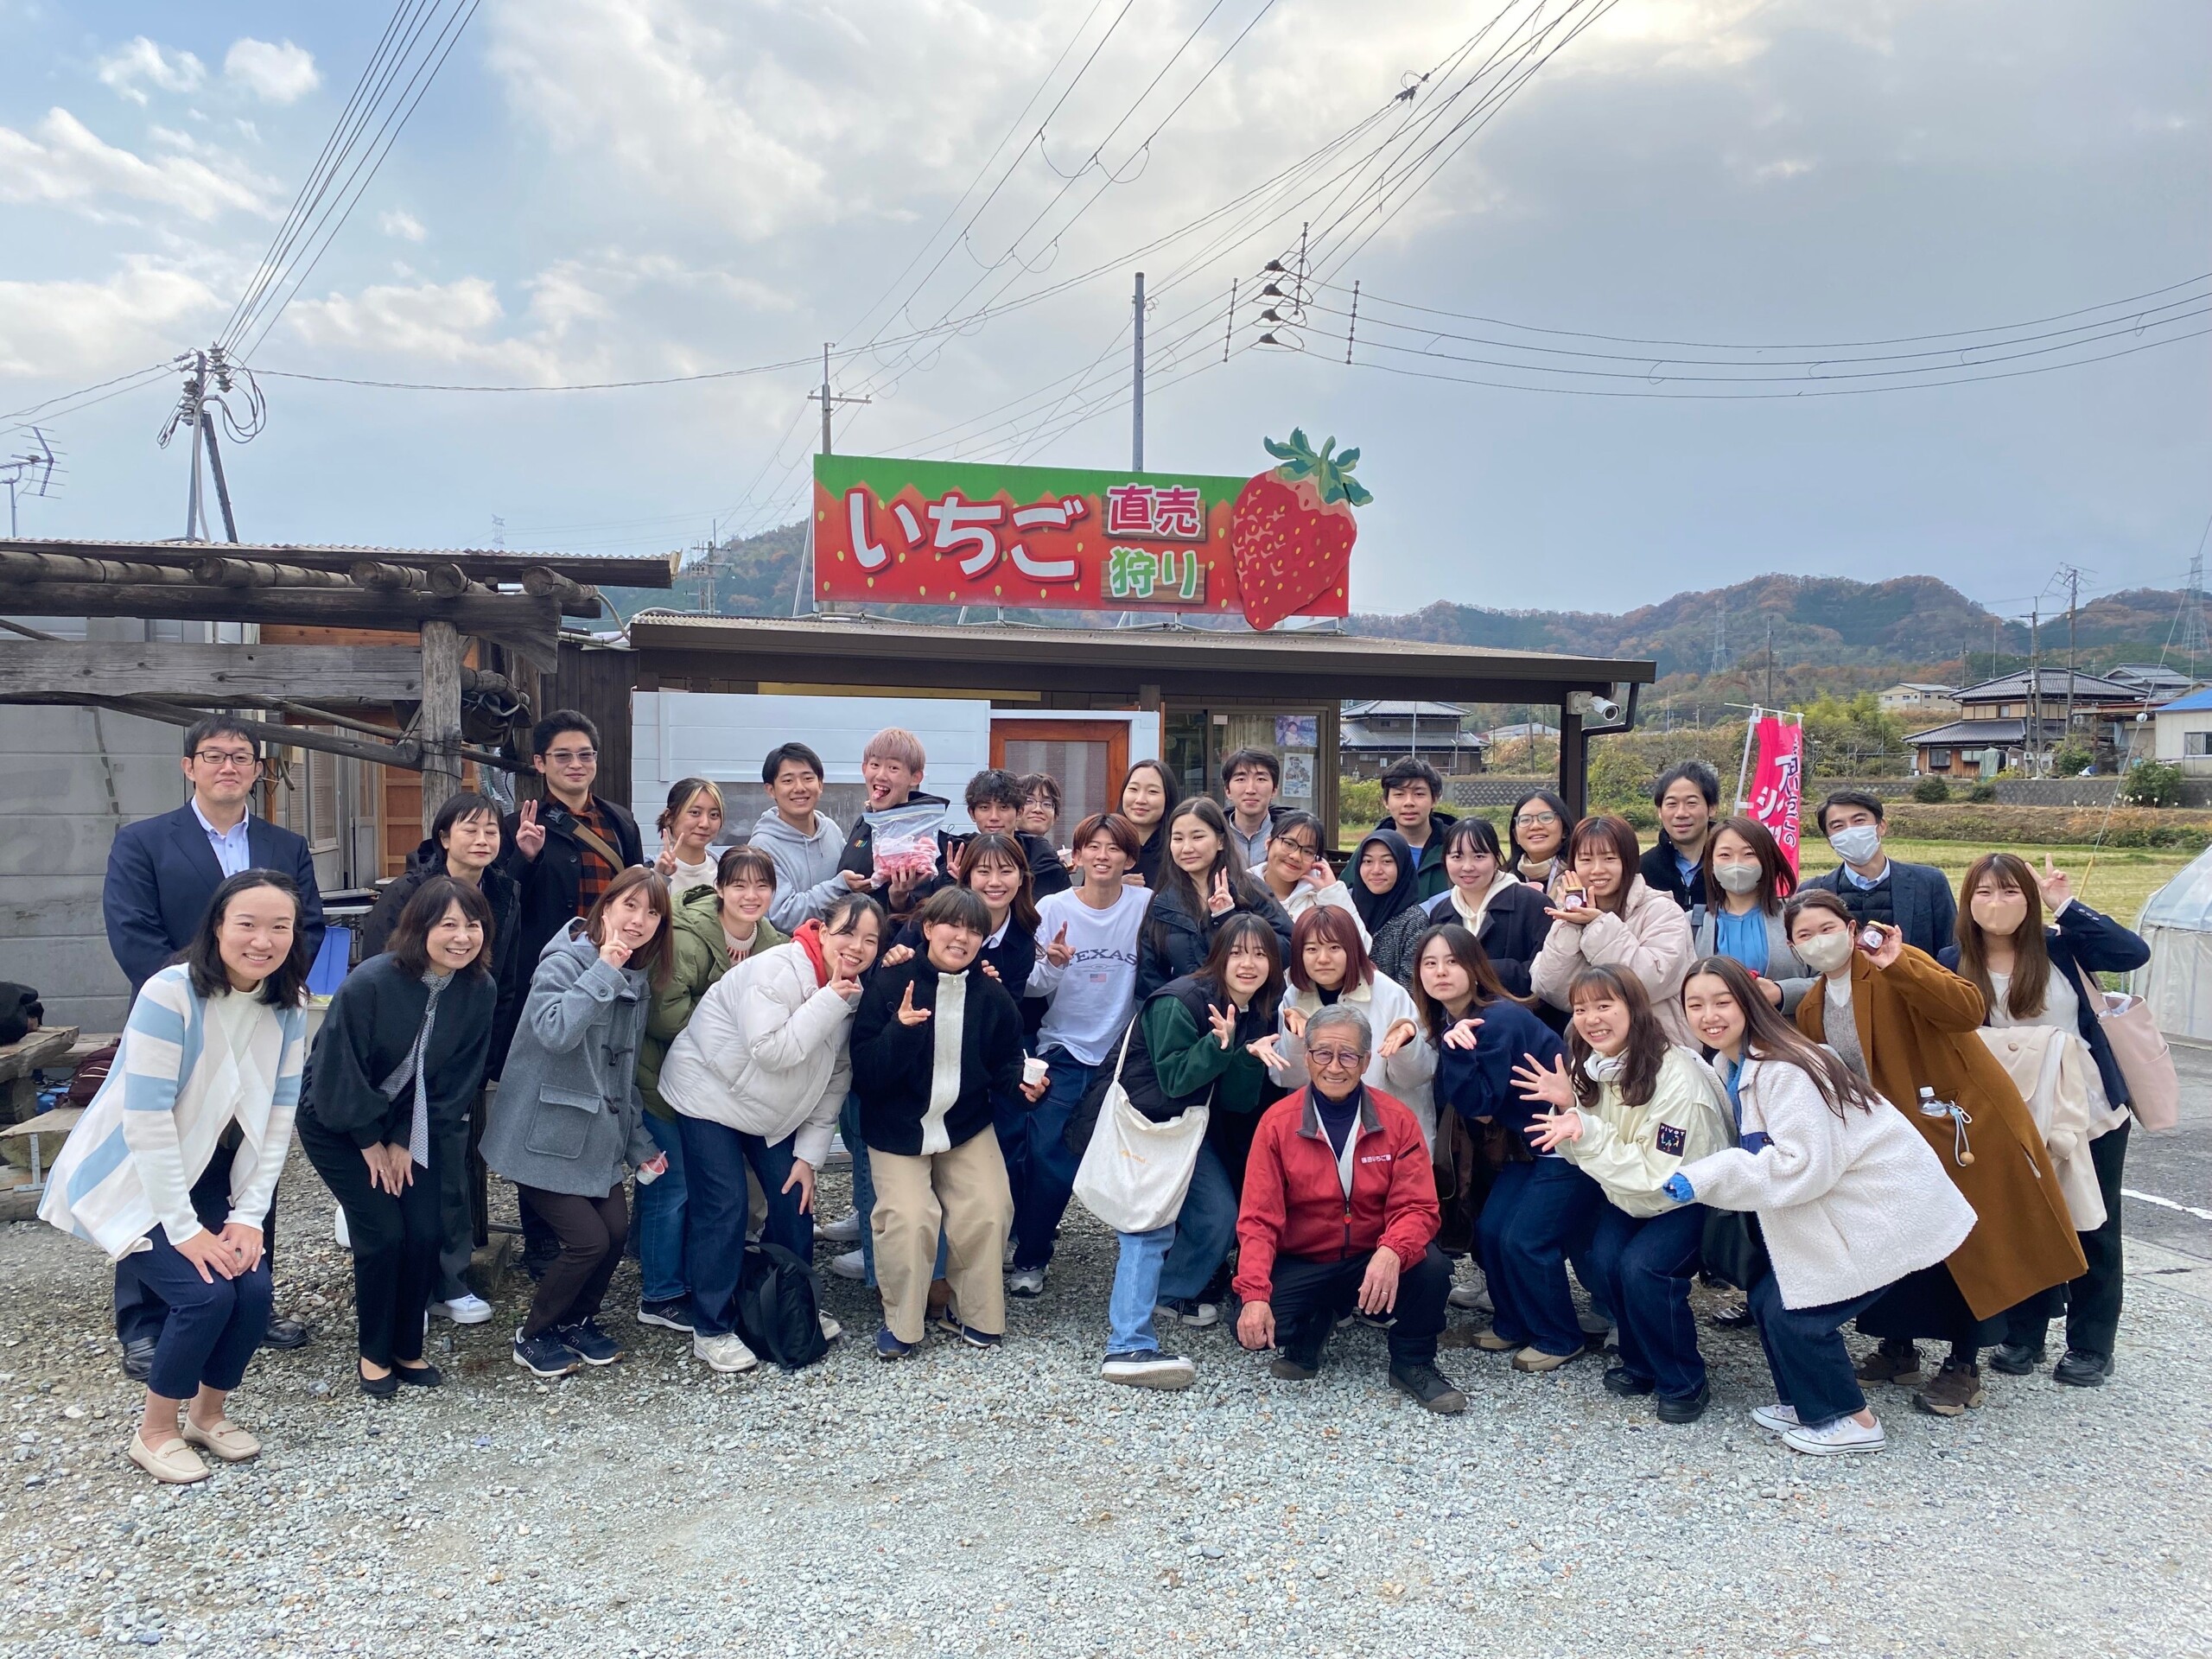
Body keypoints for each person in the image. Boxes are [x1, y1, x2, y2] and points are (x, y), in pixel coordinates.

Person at [42, 871, 311, 1484]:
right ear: (216, 926)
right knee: (203, 1293)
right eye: (246, 924)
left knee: (253, 1289)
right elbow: (147, 1121)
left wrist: (247, 1217)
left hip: (209, 1173)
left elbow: (277, 1117)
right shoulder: (170, 993)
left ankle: (206, 1416)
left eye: (279, 927)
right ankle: (155, 1430)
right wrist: (184, 1229)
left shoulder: (289, 1002)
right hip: (137, 1175)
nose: (262, 940)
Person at [1783, 888, 2086, 1417]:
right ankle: (1898, 1347)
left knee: (1964, 1246)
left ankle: (1964, 1365)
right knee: (1899, 1243)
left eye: (1826, 928)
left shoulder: (1894, 965)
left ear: (1851, 929)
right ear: (1793, 946)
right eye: (1804, 935)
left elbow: (1966, 1009)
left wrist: (1901, 965)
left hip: (1955, 1127)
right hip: (1891, 1144)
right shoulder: (1811, 1006)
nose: (1818, 942)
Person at [1671, 956, 1977, 1456]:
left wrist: (1706, 1178)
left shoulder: (1785, 1067)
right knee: (1771, 1296)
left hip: (1880, 1203)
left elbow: (1803, 1165)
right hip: (1838, 1202)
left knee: (1801, 1314)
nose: (1710, 1015)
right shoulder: (1733, 1061)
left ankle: (1852, 1419)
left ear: (1748, 1002)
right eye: (1696, 1005)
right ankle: (1806, 1402)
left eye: (1722, 1001)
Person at [100, 715, 325, 1369]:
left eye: (242, 757)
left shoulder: (285, 845)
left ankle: (250, 1289)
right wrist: (202, 993)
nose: (229, 766)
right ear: (188, 766)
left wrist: (259, 993)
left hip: (261, 1024)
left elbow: (302, 928)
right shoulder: (143, 841)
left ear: (258, 769)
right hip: (177, 1026)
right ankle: (143, 1316)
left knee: (256, 1148)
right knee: (164, 1155)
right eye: (214, 755)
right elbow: (132, 932)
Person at [1941, 853, 2151, 1387]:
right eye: (1983, 893)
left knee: (2096, 1223)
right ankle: (2024, 1333)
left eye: (2011, 892)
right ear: (1968, 902)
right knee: (2023, 1219)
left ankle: (2091, 1344)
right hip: (2007, 1114)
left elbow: (2132, 953)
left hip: (2089, 1109)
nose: (1997, 904)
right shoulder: (1951, 960)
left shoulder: (2061, 945)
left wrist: (2064, 900)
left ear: (2029, 900)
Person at [660, 893, 886, 1372]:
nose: (857, 947)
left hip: (769, 1110)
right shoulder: (778, 971)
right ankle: (712, 1327)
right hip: (710, 1095)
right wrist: (831, 1000)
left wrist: (809, 1157)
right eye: (847, 933)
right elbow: (771, 1051)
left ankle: (793, 1300)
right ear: (822, 930)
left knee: (793, 1197)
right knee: (725, 1205)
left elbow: (836, 1079)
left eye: (870, 940)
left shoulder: (850, 990)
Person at [298, 878, 497, 1397]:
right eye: (448, 924)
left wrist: (406, 1138)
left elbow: (459, 1080)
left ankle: (409, 1348)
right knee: (383, 1234)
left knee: (425, 1232)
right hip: (337, 1119)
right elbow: (337, 1073)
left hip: (413, 1124)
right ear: (419, 928)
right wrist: (371, 1140)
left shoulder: (479, 989)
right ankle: (374, 1354)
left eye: (472, 924)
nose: (462, 937)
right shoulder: (371, 982)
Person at [1513, 966, 1733, 1422]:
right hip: (1631, 1196)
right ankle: (1641, 1362)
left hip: (1687, 1194)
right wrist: (1569, 1110)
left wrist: (1584, 1127)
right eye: (1581, 1008)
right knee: (1605, 1262)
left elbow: (1658, 1174)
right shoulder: (1593, 1067)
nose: (1591, 1018)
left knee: (1644, 1269)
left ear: (1634, 1008)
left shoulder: (1677, 1079)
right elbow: (1583, 1157)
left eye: (1604, 1005)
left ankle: (1684, 1379)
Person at [482, 867, 672, 1378]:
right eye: (629, 906)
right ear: (605, 907)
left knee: (614, 1231)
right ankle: (535, 1332)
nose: (639, 920)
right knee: (586, 1239)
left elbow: (624, 1069)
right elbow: (556, 1031)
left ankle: (577, 1320)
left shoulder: (634, 975)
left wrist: (640, 1145)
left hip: (598, 1138)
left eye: (652, 912)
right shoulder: (566, 960)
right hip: (541, 1134)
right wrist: (604, 969)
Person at [1233, 1004, 1465, 1414]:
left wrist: (1392, 1250)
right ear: (1307, 1057)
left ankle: (1413, 1361)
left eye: (1348, 1056)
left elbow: (1420, 1207)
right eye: (1322, 1053)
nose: (1335, 1066)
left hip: (1370, 1253)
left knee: (1432, 1268)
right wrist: (1253, 1294)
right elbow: (1258, 1218)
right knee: (1259, 1326)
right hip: (1304, 1257)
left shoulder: (1397, 1119)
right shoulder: (1276, 1123)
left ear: (1366, 1060)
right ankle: (1315, 1320)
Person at [850, 887, 1045, 1359]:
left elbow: (1002, 1066)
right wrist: (901, 1030)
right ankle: (903, 1322)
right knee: (910, 1218)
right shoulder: (892, 979)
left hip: (964, 1124)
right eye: (952, 926)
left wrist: (1028, 1086)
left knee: (990, 1206)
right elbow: (866, 1073)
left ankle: (974, 1313)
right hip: (897, 1129)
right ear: (929, 927)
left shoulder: (992, 994)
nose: (962, 937)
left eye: (975, 930)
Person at [1098, 914, 1284, 1389]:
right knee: (1148, 1225)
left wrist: (1243, 1058)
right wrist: (1219, 1046)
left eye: (1260, 954)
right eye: (1238, 952)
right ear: (1219, 954)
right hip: (1146, 1126)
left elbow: (1238, 1101)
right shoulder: (1181, 999)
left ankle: (1163, 1290)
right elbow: (1175, 1080)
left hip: (1188, 1130)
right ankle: (1128, 1343)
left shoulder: (1254, 1010)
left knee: (1219, 1215)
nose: (1248, 964)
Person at [358, 790, 522, 1327]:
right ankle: (408, 1286)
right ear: (444, 837)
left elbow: (505, 974)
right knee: (393, 1167)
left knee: (449, 1165)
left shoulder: (504, 890)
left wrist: (489, 1053)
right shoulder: (408, 893)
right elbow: (377, 971)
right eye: (469, 829)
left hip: (460, 1047)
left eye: (491, 831)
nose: (481, 839)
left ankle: (449, 1279)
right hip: (397, 1056)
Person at [632, 846, 788, 1333]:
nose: (750, 895)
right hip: (665, 1082)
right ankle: (658, 1293)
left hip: (726, 1091)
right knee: (671, 1185)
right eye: (738, 884)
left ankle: (695, 1276)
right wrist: (732, 998)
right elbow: (663, 1016)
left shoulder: (772, 941)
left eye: (761, 885)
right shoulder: (689, 935)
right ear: (719, 888)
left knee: (718, 1191)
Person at [1426, 924, 1590, 1372]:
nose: (1441, 972)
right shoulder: (1455, 1020)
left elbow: (1479, 1105)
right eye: (1430, 963)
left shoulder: (1493, 1019)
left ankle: (1559, 1336)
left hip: (1568, 1145)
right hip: (1531, 1145)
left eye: (1453, 962)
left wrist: (1455, 1055)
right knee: (1492, 1229)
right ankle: (1514, 1320)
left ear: (1475, 969)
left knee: (1524, 1239)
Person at [1014, 814, 1154, 1295]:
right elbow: (1029, 986)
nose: (1101, 855)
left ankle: (1143, 1269)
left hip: (1123, 1052)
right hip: (1065, 1047)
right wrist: (1052, 965)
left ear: (1129, 858)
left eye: (1112, 847)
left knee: (1137, 1160)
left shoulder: (1145, 905)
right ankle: (1031, 1256)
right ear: (1075, 856)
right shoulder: (1052, 908)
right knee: (1047, 1153)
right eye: (1090, 846)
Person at [1257, 906, 1433, 1147]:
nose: (1323, 959)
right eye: (1311, 949)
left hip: (1388, 1136)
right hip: (1320, 1135)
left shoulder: (1388, 994)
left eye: (1334, 948)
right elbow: (1288, 1078)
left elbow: (1416, 1078)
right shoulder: (1294, 998)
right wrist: (1295, 1038)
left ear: (1352, 950)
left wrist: (1405, 1046)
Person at [1532, 814, 1697, 1046]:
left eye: (1609, 858)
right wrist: (1571, 925)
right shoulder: (1570, 916)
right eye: (1586, 860)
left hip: (1659, 1046)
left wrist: (1598, 925)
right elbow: (1552, 990)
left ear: (1628, 861)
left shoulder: (1663, 911)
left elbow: (1649, 983)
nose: (1597, 870)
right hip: (1593, 1049)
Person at [503, 709, 646, 969]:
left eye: (585, 755)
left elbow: (637, 894)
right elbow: (503, 906)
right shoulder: (518, 826)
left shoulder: (621, 822)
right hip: (544, 965)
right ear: (540, 762)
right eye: (562, 756)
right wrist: (525, 858)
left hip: (613, 959)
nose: (576, 764)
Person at [1370, 817, 1554, 1001]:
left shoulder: (1534, 904)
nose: (1467, 867)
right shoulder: (1441, 913)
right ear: (1445, 860)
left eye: (1479, 856)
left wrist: (1475, 970)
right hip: (1454, 1022)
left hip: (1520, 1018)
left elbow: (1546, 972)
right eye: (1457, 857)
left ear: (1496, 859)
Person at [1133, 798, 1294, 1001]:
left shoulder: (1249, 889)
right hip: (1185, 1018)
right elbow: (1149, 976)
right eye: (1178, 839)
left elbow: (1288, 948)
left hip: (1249, 1016)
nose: (1187, 848)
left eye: (1197, 837)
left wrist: (1229, 919)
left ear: (1220, 841)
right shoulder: (1163, 902)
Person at [1800, 791, 1957, 957]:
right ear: (1830, 841)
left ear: (1881, 826)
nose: (1851, 831)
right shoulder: (1812, 892)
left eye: (1859, 821)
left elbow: (1951, 951)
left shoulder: (1929, 883)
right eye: (1838, 826)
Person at [1690, 816, 1815, 1014]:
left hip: (1789, 1037)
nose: (1737, 864)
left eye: (1749, 854)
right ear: (1711, 865)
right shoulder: (1692, 924)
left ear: (1767, 860)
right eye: (1725, 855)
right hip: (1715, 1039)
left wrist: (1782, 992)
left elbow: (1833, 979)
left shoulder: (1798, 916)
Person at [836, 726, 952, 919]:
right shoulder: (864, 822)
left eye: (893, 768)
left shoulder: (919, 832)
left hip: (887, 944)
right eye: (874, 765)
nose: (881, 775)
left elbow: (925, 911)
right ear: (864, 768)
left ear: (915, 778)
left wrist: (899, 899)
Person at [752, 741, 861, 931]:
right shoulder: (762, 847)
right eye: (788, 781)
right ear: (771, 790)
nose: (799, 788)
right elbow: (783, 916)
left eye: (808, 778)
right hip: (791, 954)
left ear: (820, 784)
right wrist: (839, 886)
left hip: (839, 950)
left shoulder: (831, 830)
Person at [946, 768, 1070, 900]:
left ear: (1019, 812)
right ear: (972, 813)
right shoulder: (957, 853)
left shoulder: (1042, 857)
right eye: (984, 808)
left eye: (1003, 807)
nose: (994, 817)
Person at [1252, 810, 1367, 944]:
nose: (1296, 856)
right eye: (1289, 844)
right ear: (1268, 842)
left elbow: (1361, 947)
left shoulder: (1321, 896)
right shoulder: (1243, 888)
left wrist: (1332, 892)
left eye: (1308, 851)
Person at [1642, 762, 1720, 912]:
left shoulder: (1728, 865)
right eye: (1672, 804)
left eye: (1691, 803)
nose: (1681, 813)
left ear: (1712, 808)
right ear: (1659, 811)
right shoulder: (1643, 868)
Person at [1376, 757, 1457, 901]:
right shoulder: (1370, 849)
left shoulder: (1457, 848)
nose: (1409, 803)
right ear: (1386, 801)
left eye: (1419, 794)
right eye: (1399, 794)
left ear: (1434, 799)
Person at [652, 778, 726, 894]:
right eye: (695, 813)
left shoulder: (726, 873)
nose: (705, 824)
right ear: (669, 818)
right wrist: (659, 877)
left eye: (714, 815)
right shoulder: (646, 872)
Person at [1347, 827, 1421, 944]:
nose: (1376, 870)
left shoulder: (1414, 922)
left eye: (1387, 861)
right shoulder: (1345, 905)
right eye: (1368, 861)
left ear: (1402, 865)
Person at [1221, 747, 1288, 871]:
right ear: (1228, 791)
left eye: (1261, 779)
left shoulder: (1290, 836)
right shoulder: (1215, 834)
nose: (1250, 790)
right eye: (1241, 779)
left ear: (1274, 790)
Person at [1117, 759, 1179, 888]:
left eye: (1152, 792)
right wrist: (1112, 887)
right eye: (1133, 789)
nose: (1140, 800)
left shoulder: (1179, 848)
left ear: (1168, 798)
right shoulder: (1106, 842)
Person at [1505, 788, 1573, 896]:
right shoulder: (1504, 883)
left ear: (1564, 830)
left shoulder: (1579, 876)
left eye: (1546, 817)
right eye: (1525, 820)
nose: (1535, 826)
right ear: (1516, 836)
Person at [1016, 772, 1062, 844]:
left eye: (1047, 804)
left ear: (1055, 817)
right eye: (1029, 801)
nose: (1038, 809)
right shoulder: (999, 852)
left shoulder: (1051, 854)